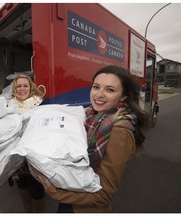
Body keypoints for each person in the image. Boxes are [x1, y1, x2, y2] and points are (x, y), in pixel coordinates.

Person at [32, 65, 149, 213]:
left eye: (110, 90)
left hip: (84, 208)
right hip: (71, 195)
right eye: (96, 87)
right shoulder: (90, 114)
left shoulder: (120, 130)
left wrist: (54, 191)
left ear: (123, 95)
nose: (99, 94)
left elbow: (104, 194)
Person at [7, 74, 46, 212]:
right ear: (14, 88)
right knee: (22, 187)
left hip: (34, 156)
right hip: (17, 157)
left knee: (36, 191)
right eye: (19, 86)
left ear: (31, 88)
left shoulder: (40, 104)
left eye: (25, 86)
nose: (22, 89)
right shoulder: (9, 107)